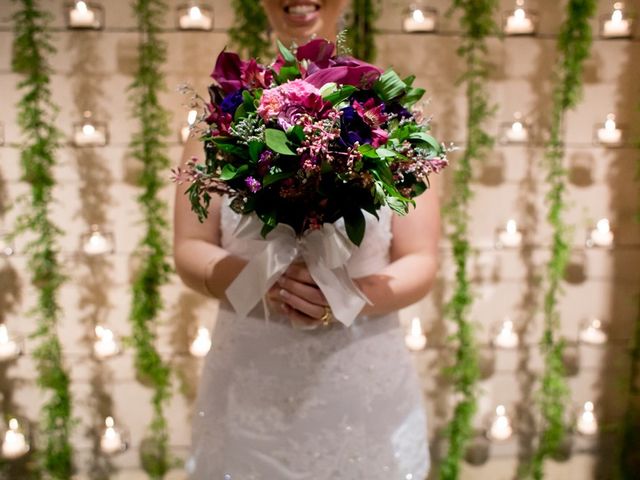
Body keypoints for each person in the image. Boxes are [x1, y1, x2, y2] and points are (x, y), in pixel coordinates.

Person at [173, 1, 441, 478]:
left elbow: (419, 259)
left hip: (362, 379)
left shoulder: (394, 117)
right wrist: (267, 284)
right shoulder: (221, 116)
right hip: (248, 379)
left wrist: (344, 296)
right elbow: (190, 248)